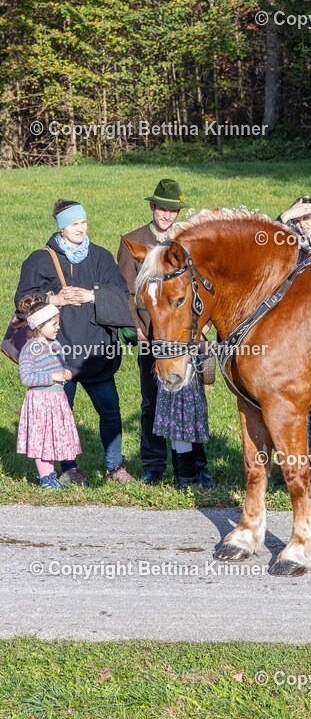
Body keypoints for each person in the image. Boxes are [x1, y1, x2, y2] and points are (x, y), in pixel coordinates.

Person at [15, 200, 133, 484]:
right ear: (61, 227)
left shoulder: (102, 257)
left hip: (96, 352)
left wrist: (94, 296)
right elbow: (23, 303)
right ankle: (69, 468)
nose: (80, 228)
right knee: (61, 416)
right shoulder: (39, 260)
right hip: (57, 355)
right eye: (74, 224)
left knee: (110, 410)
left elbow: (123, 296)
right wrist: (53, 300)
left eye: (83, 222)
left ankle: (114, 467)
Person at [117, 179, 213, 487]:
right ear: (152, 207)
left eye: (172, 210)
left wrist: (205, 323)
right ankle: (153, 463)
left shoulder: (187, 242)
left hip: (185, 334)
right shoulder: (135, 241)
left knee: (192, 399)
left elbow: (202, 287)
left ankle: (197, 464)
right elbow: (125, 292)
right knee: (152, 400)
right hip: (151, 334)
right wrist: (136, 328)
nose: (167, 216)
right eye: (162, 208)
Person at [16, 296, 81, 490]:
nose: (57, 327)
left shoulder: (55, 345)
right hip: (41, 400)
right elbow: (27, 377)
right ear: (39, 325)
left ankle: (51, 475)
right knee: (42, 438)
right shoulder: (30, 349)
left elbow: (61, 366)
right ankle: (45, 478)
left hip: (56, 399)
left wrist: (67, 371)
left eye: (58, 323)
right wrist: (52, 376)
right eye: (53, 324)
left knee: (52, 437)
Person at [153, 369, 211, 489]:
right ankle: (188, 480)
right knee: (182, 423)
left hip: (175, 370)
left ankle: (181, 475)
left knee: (178, 424)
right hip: (179, 370)